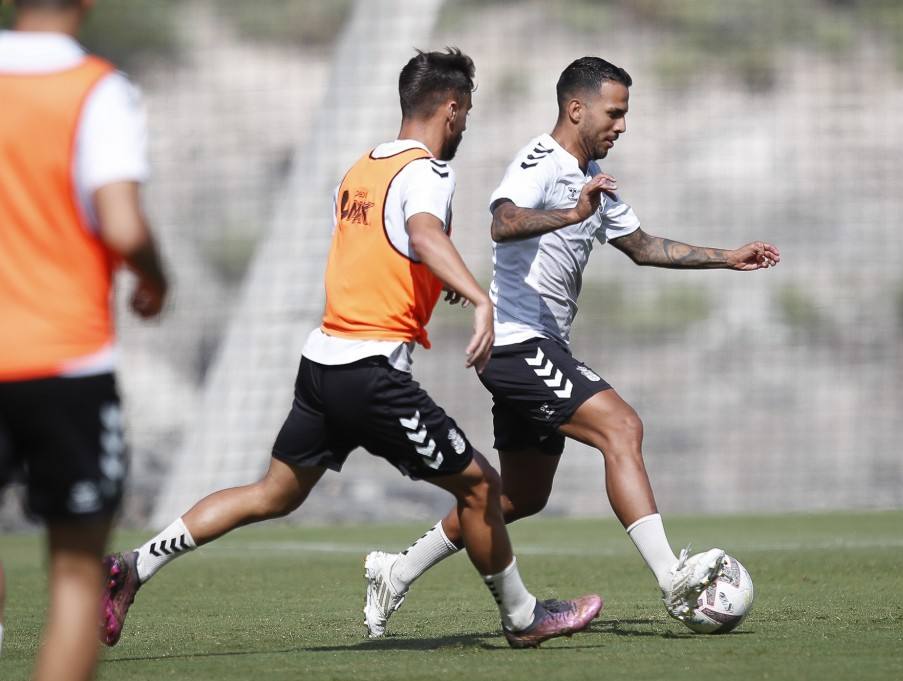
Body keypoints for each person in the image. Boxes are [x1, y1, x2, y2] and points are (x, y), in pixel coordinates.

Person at [99, 47, 601, 651]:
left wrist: (433, 282)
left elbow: (385, 251)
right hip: (371, 372)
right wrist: (477, 295)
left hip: (322, 365)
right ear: (451, 107)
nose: (464, 125)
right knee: (482, 490)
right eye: (465, 112)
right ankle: (523, 619)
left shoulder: (361, 168)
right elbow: (422, 233)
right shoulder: (430, 173)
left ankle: (136, 563)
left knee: (273, 493)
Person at [363, 56, 781, 637]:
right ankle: (673, 580)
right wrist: (571, 211)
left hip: (531, 346)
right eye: (615, 112)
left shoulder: (594, 185)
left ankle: (395, 571)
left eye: (626, 113)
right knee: (622, 428)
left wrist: (727, 256)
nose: (622, 125)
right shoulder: (542, 160)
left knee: (521, 496)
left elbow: (642, 246)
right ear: (575, 108)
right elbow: (502, 222)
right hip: (516, 344)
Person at [0, 0, 169, 679]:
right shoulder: (99, 88)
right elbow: (122, 224)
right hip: (64, 360)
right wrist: (156, 278)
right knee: (74, 574)